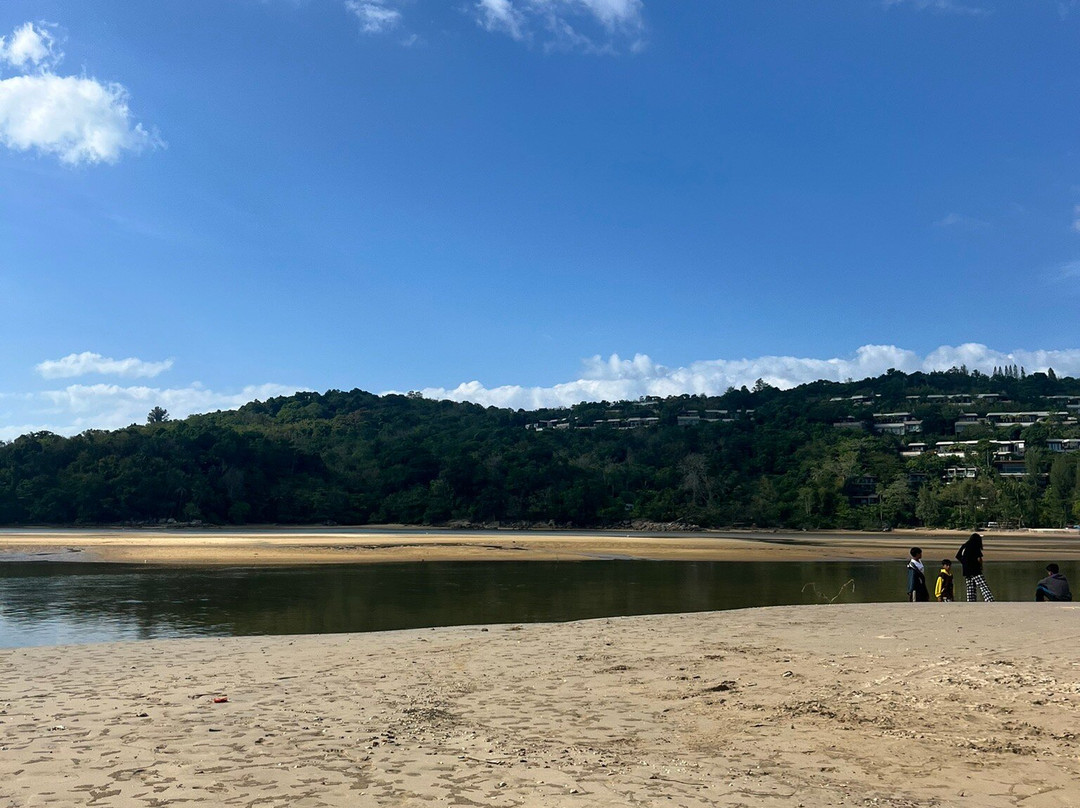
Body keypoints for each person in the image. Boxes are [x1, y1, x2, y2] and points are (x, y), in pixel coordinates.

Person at [956, 532, 994, 602]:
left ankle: (971, 600)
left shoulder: (964, 545)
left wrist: (964, 563)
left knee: (970, 586)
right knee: (982, 585)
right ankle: (989, 599)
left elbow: (958, 556)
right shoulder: (975, 545)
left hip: (966, 569)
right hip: (974, 568)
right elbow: (979, 558)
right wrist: (981, 566)